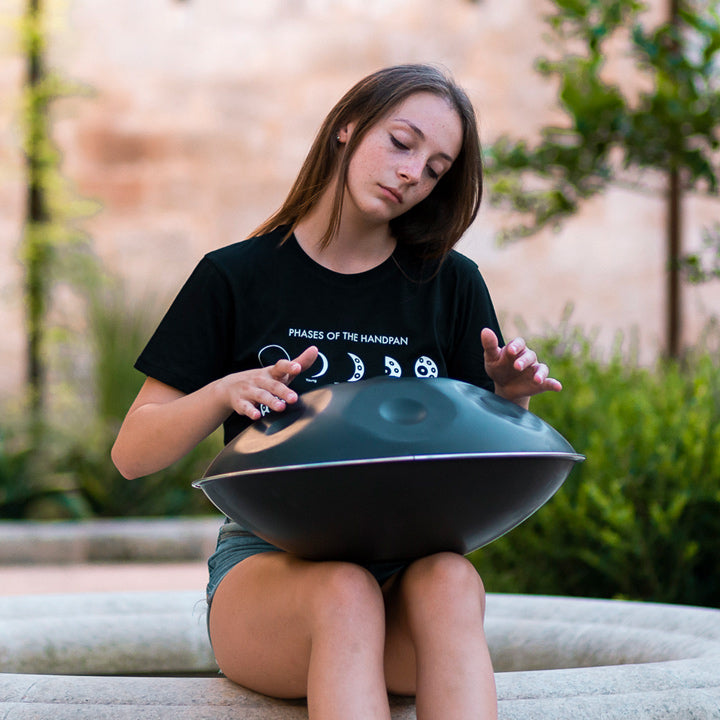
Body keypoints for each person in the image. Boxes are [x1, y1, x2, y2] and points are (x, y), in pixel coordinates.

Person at [112, 64, 562, 720]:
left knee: (452, 578)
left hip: (405, 579)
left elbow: (477, 464)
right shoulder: (235, 277)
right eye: (402, 143)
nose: (413, 173)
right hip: (273, 577)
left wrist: (507, 400)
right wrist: (221, 391)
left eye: (436, 168)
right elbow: (131, 454)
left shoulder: (452, 285)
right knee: (344, 591)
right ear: (348, 126)